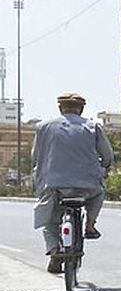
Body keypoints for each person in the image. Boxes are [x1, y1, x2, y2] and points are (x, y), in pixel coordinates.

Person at [32, 92, 113, 274]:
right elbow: (107, 156)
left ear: (60, 108)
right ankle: (90, 224)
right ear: (81, 109)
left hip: (54, 187)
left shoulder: (43, 127)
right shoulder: (93, 127)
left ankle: (54, 251)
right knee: (99, 192)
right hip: (88, 187)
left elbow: (35, 157)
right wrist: (104, 169)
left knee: (50, 221)